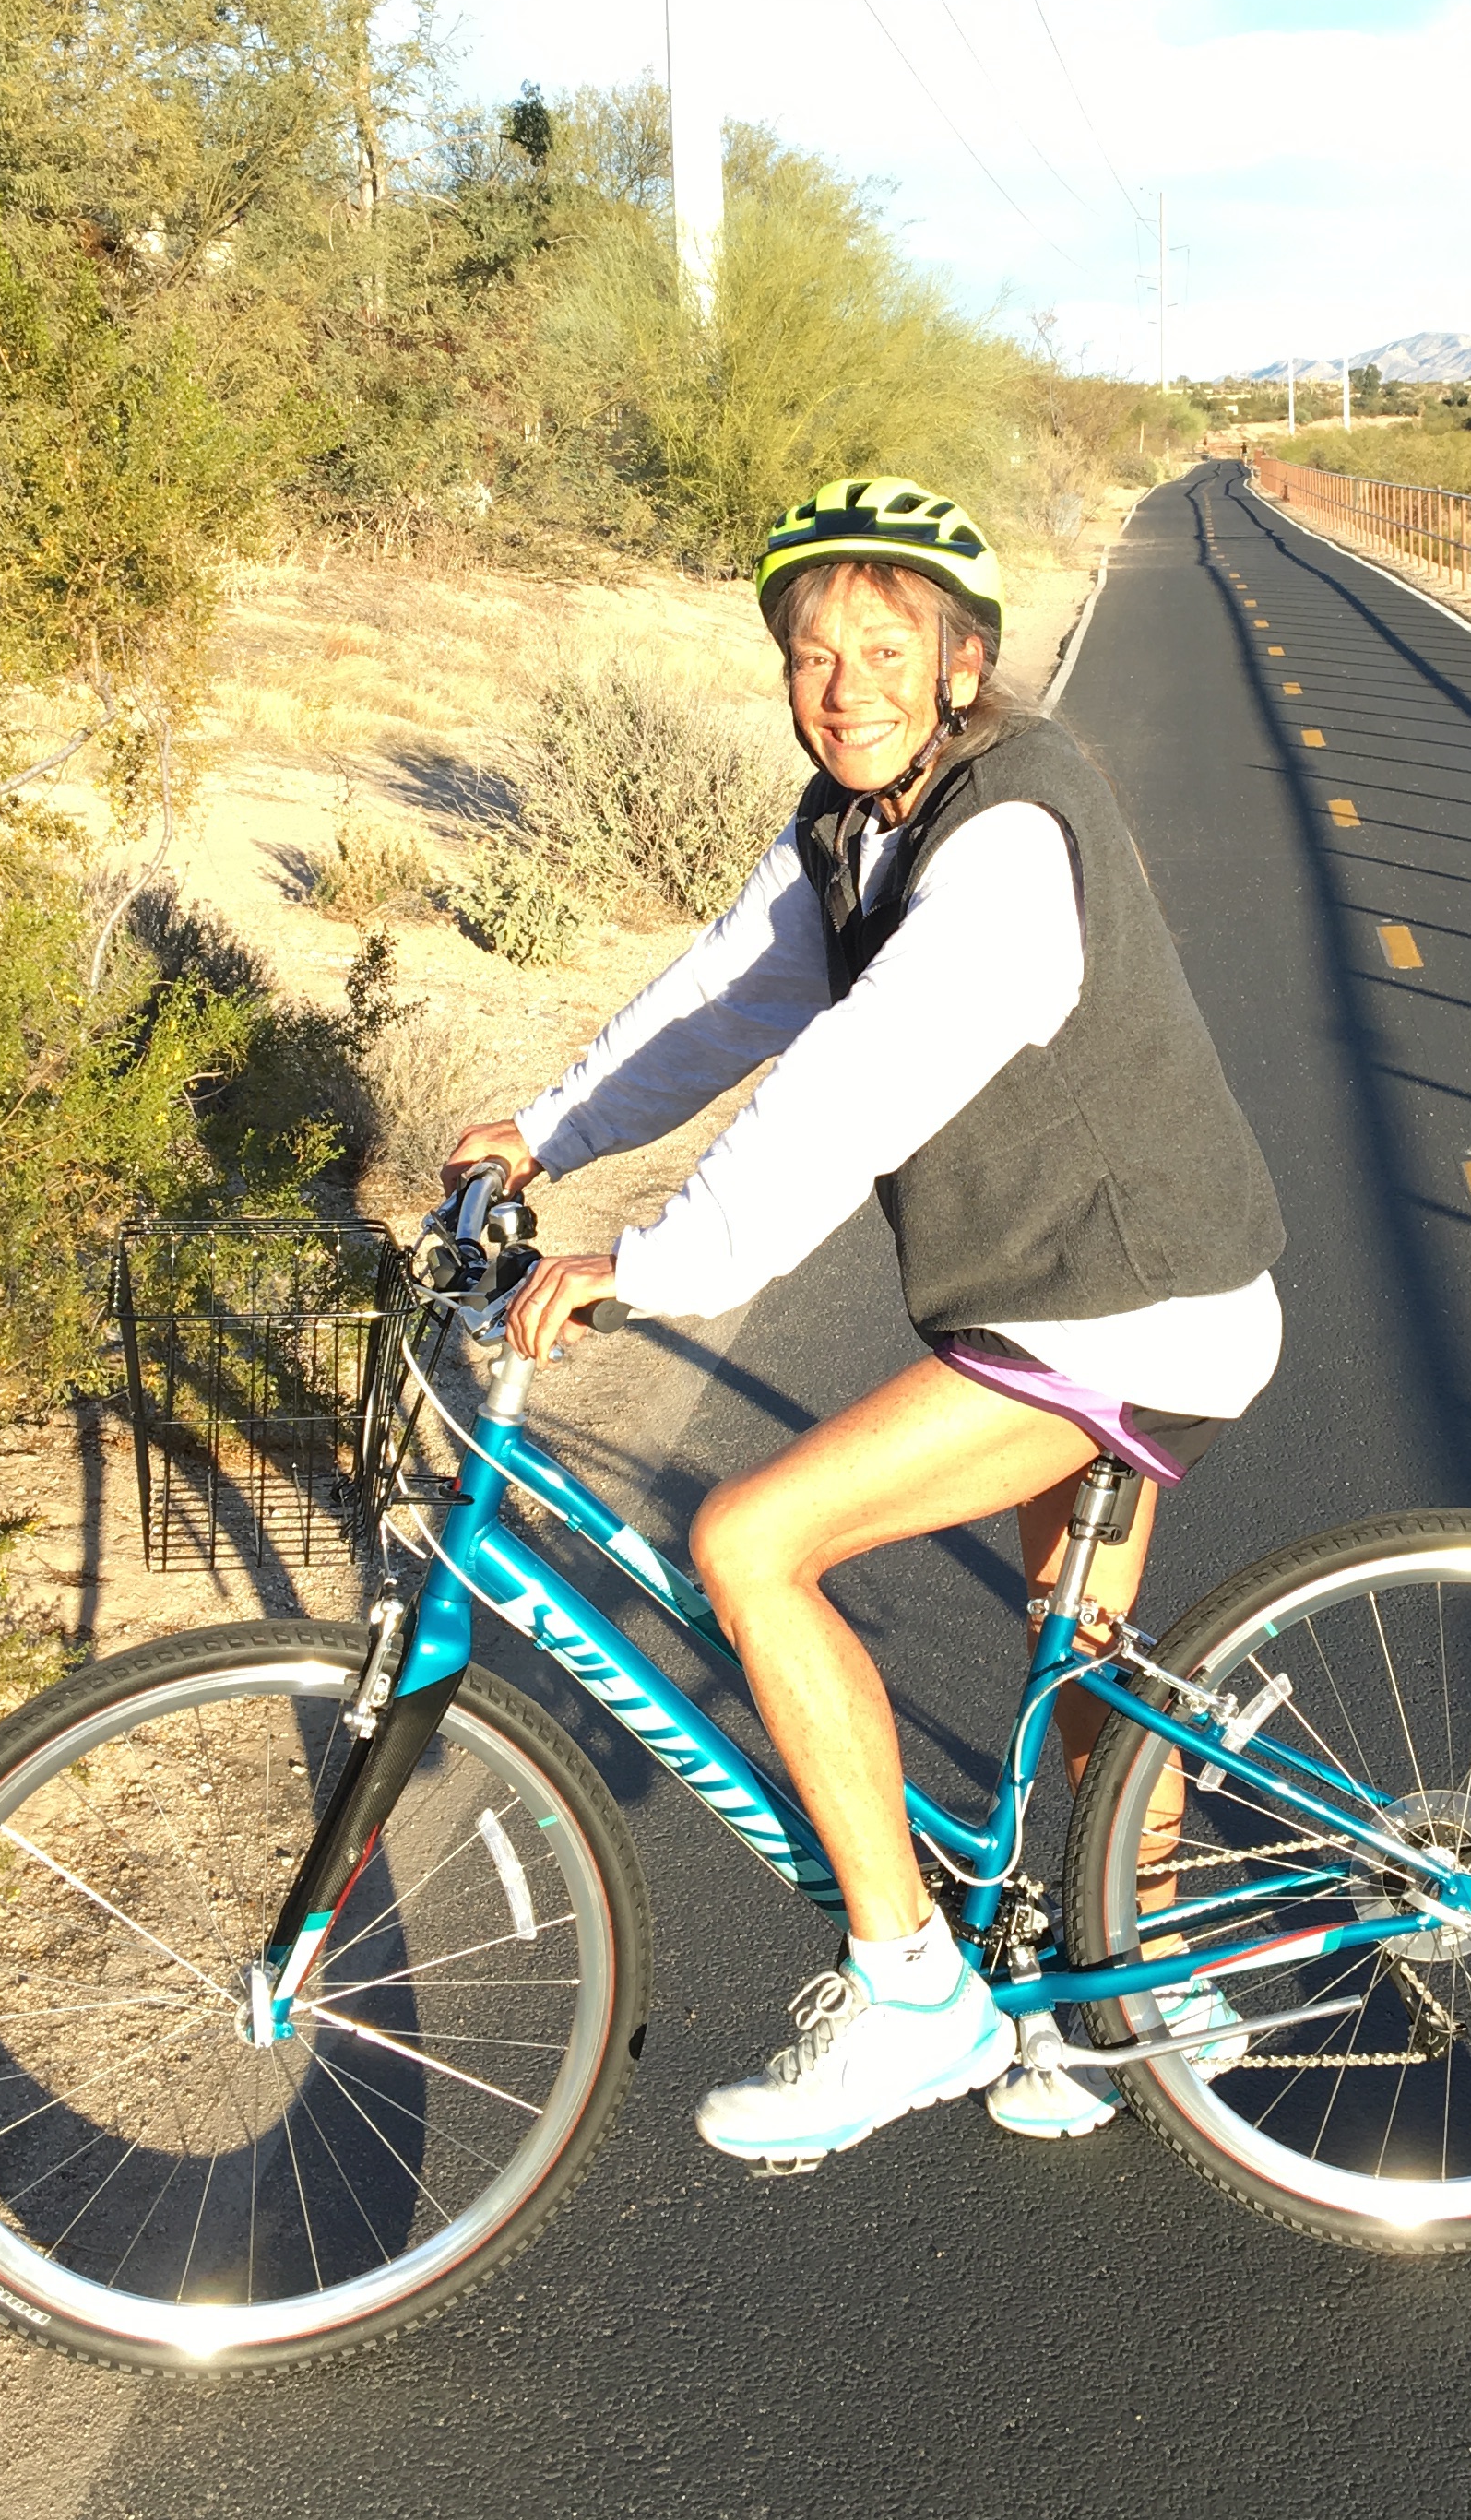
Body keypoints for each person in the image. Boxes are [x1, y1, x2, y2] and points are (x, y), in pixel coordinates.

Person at [445, 475, 1285, 2168]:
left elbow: (857, 1077)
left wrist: (660, 1262)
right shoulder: (852, 825)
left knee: (753, 1544)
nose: (846, 682)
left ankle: (910, 1993)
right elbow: (728, 1000)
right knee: (1086, 1641)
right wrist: (547, 1131)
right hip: (1065, 1302)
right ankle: (1150, 1982)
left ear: (965, 661)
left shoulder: (1007, 838)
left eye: (886, 645)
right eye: (813, 650)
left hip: (1135, 1307)